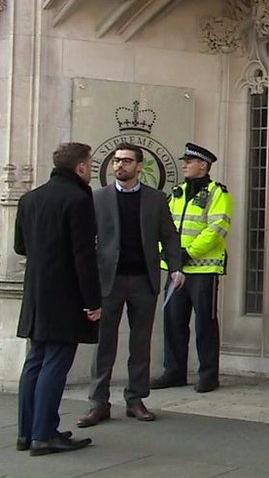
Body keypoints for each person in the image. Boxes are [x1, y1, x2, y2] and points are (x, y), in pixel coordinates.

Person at [75, 143, 185, 428]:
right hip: (107, 282)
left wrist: (175, 268)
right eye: (116, 160)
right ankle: (98, 403)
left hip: (143, 280)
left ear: (139, 166)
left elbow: (169, 236)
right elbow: (86, 240)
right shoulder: (98, 198)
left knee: (140, 342)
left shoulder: (155, 199)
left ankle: (135, 399)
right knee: (104, 344)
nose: (119, 166)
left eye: (126, 161)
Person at [14, 142, 102, 455]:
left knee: (35, 362)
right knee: (55, 363)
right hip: (66, 294)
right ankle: (44, 434)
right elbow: (84, 256)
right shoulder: (78, 199)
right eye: (89, 164)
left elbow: (20, 247)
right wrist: (93, 301)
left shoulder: (30, 199)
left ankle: (27, 432)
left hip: (36, 292)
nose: (90, 169)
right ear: (79, 167)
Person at [151, 143, 234, 393]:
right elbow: (162, 226)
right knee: (173, 321)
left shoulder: (218, 193)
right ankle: (174, 372)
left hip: (204, 271)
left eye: (189, 161)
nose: (184, 164)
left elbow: (217, 228)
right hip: (177, 269)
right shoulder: (176, 193)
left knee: (205, 325)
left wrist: (187, 253)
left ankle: (208, 375)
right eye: (184, 161)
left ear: (203, 165)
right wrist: (165, 252)